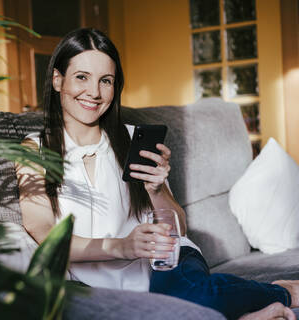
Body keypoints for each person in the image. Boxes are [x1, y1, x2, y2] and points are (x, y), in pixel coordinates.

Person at [15, 27, 298, 320]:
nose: (95, 93)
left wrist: (156, 189)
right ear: (58, 80)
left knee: (189, 296)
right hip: (97, 276)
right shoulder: (33, 153)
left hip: (165, 260)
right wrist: (121, 246)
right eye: (82, 77)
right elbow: (48, 238)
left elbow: (180, 229)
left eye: (106, 81)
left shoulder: (132, 140)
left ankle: (283, 292)